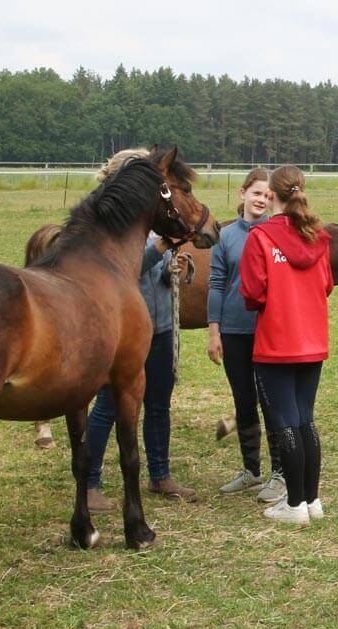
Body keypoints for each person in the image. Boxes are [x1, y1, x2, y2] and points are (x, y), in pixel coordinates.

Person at [78, 150, 199, 513]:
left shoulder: (153, 222)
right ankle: (89, 483)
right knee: (108, 407)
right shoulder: (110, 229)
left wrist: (174, 267)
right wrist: (161, 248)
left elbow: (156, 274)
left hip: (158, 327)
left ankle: (160, 474)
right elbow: (126, 271)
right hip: (124, 333)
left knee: (158, 404)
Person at [241, 165, 335, 525]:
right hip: (312, 340)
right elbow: (326, 284)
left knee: (284, 423)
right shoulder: (318, 236)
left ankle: (294, 505)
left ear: (272, 195)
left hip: (277, 342)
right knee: (305, 419)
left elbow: (253, 292)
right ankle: (312, 500)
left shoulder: (260, 236)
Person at [208, 168, 286, 502]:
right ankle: (251, 471)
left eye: (268, 196)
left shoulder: (277, 234)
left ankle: (280, 473)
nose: (261, 200)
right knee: (243, 401)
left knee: (272, 403)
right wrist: (214, 330)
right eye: (256, 193)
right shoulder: (225, 236)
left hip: (268, 331)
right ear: (242, 194)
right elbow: (216, 283)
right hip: (234, 331)